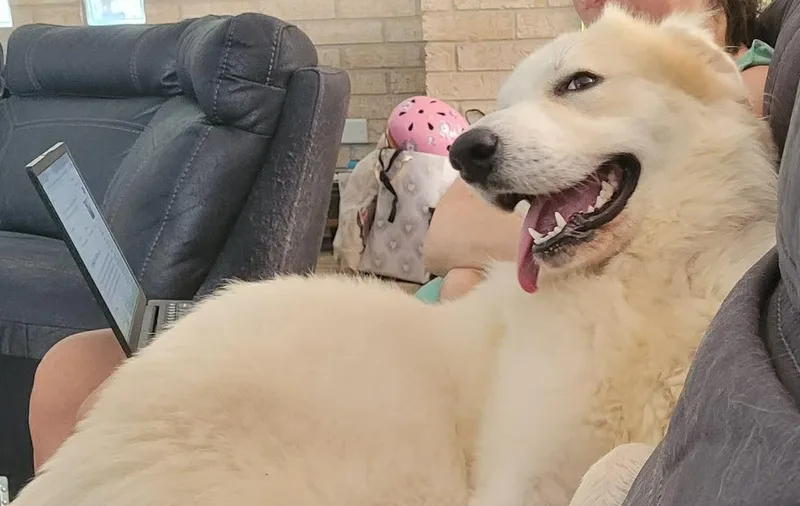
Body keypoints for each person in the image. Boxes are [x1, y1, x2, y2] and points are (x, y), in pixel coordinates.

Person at [27, 0, 773, 472]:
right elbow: (448, 231)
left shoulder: (742, 83)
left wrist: (486, 251)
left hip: (486, 369)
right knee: (79, 366)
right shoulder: (574, 66)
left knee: (136, 399)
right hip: (436, 324)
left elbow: (472, 237)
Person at [422, 0, 772, 302]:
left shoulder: (751, 86)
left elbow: (720, 203)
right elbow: (443, 235)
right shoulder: (566, 71)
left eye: (579, 83)